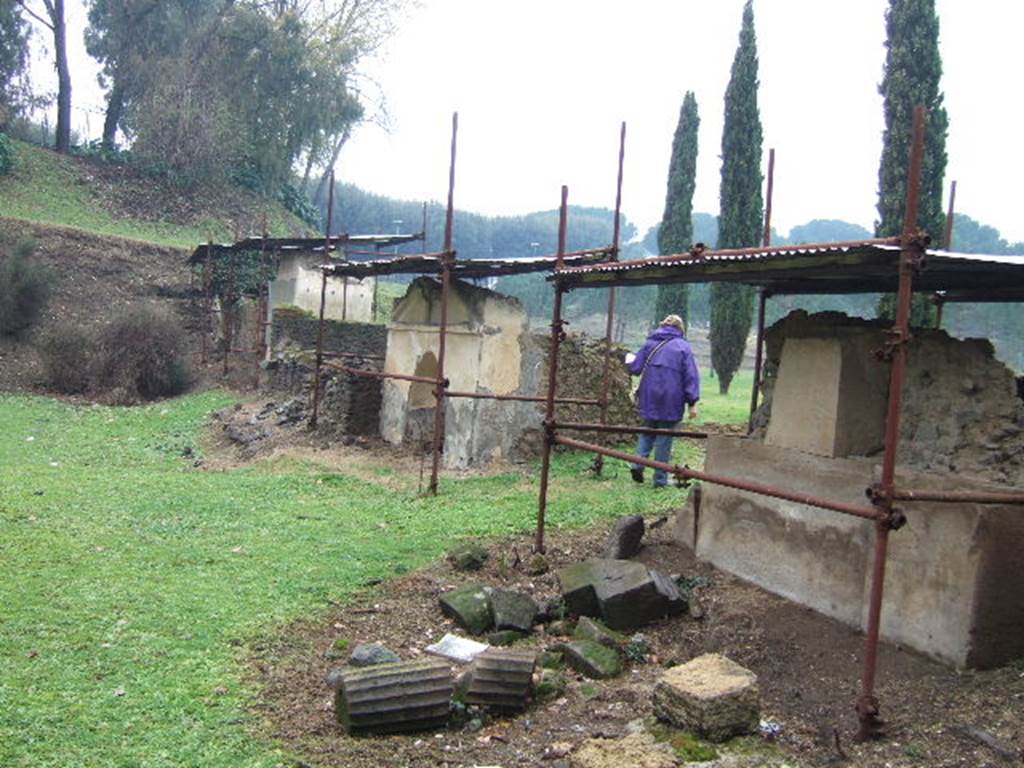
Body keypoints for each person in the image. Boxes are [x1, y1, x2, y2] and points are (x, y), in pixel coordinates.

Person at [626, 314, 700, 487]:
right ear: (681, 329)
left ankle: (638, 464)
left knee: (647, 431)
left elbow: (636, 368)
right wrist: (692, 402)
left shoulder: (649, 343)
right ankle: (659, 479)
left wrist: (629, 359)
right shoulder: (683, 348)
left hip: (649, 394)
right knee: (664, 438)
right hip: (671, 398)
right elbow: (690, 376)